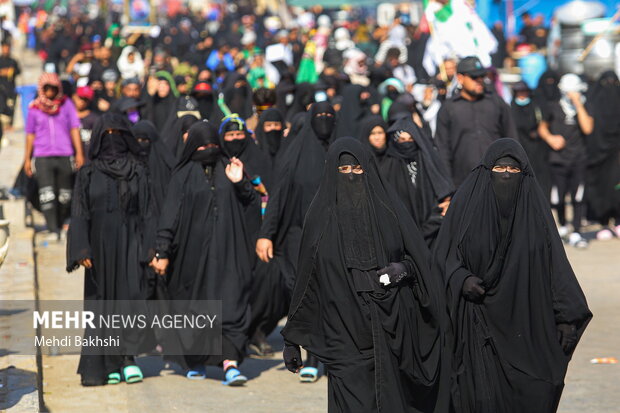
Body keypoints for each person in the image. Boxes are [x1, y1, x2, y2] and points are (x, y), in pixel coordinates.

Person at [282, 137, 450, 413]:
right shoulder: (320, 218)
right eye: (343, 171)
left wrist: (403, 269)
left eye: (358, 170)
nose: (350, 177)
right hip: (342, 330)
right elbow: (306, 280)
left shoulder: (388, 210)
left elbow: (420, 259)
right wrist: (291, 340)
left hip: (390, 325)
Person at [432, 138, 592, 413]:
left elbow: (555, 265)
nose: (506, 175)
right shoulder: (465, 208)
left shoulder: (535, 214)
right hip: (476, 325)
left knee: (534, 390)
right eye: (499, 168)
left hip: (525, 324)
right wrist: (461, 278)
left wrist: (566, 317)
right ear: (486, 171)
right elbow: (441, 258)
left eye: (514, 171)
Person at [151, 121, 259, 386]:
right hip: (191, 256)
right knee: (194, 308)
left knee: (232, 305)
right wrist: (162, 250)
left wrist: (240, 183)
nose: (209, 150)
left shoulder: (229, 168)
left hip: (228, 253)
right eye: (203, 146)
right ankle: (195, 360)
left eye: (213, 145)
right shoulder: (182, 175)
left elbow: (253, 206)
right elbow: (170, 216)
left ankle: (230, 363)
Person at [67, 113, 150, 386]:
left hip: (132, 243)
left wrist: (152, 249)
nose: (112, 141)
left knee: (130, 301)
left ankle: (128, 359)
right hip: (99, 249)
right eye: (107, 135)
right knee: (101, 305)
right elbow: (79, 212)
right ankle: (107, 363)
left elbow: (149, 210)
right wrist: (81, 249)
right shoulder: (88, 173)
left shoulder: (138, 170)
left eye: (118, 134)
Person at [255, 101, 337, 382]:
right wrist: (267, 234)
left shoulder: (341, 152)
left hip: (332, 236)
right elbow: (278, 196)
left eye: (329, 117)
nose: (324, 121)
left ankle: (318, 356)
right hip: (297, 236)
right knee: (302, 294)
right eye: (320, 117)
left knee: (328, 294)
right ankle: (306, 350)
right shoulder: (296, 153)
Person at [435, 56, 517, 187]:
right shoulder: (448, 109)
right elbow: (442, 150)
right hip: (462, 183)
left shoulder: (497, 103)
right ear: (460, 78)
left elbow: (511, 139)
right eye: (474, 77)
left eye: (481, 76)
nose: (479, 81)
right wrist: (447, 189)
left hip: (497, 181)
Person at [24, 73, 85, 240]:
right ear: (42, 89)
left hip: (64, 154)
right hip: (43, 156)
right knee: (47, 194)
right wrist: (27, 159)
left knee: (65, 194)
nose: (50, 91)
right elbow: (30, 134)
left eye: (53, 88)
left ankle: (62, 223)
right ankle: (52, 229)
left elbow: (74, 128)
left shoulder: (66, 105)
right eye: (47, 88)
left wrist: (79, 153)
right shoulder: (34, 108)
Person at [538, 74, 594, 248]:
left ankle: (576, 231)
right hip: (559, 160)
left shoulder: (585, 105)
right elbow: (542, 127)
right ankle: (562, 225)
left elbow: (588, 128)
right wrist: (551, 139)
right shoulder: (553, 107)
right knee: (558, 198)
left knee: (578, 197)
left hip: (579, 159)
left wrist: (578, 104)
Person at [381, 116, 454, 246]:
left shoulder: (427, 162)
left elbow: (443, 189)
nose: (407, 144)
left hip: (433, 231)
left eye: (410, 139)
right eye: (402, 140)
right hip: (403, 235)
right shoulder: (388, 166)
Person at [584, 71, 620, 238]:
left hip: (617, 154)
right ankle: (604, 222)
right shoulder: (592, 103)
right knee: (601, 189)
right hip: (598, 156)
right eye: (606, 84)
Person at [510, 81, 551, 198]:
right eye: (519, 91)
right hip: (519, 148)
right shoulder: (511, 107)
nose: (522, 94)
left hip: (537, 149)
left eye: (524, 91)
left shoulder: (536, 106)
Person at [73, 86, 100, 163]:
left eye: (86, 100)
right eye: (80, 98)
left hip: (88, 159)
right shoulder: (67, 117)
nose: (82, 102)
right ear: (74, 96)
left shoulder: (94, 118)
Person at [0, 41, 20, 129]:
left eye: (7, 48)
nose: (6, 50)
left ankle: (10, 125)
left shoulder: (13, 61)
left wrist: (11, 72)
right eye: (4, 48)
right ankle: (3, 126)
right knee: (2, 106)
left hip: (11, 88)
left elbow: (18, 71)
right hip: (1, 88)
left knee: (11, 106)